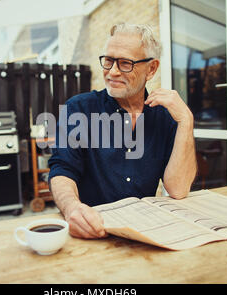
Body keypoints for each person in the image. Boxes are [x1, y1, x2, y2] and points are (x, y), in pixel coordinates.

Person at [48, 23, 197, 239]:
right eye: (108, 61)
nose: (112, 72)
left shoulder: (165, 116)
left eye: (125, 63)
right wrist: (72, 208)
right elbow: (62, 169)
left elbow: (178, 189)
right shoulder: (79, 109)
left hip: (145, 234)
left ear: (152, 69)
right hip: (91, 231)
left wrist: (186, 121)